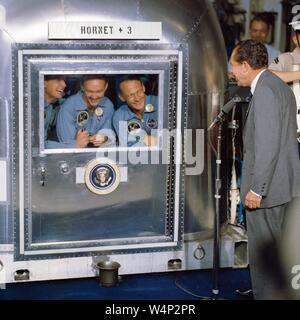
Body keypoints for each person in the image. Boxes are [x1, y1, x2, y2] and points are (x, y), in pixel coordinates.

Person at [230, 39, 300, 300]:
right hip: (284, 186)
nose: (232, 72)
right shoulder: (278, 86)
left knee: (264, 255)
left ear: (246, 66)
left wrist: (257, 190)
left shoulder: (266, 91)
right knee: (282, 256)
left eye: (234, 66)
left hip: (269, 192)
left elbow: (268, 145)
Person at [56, 75, 115, 148]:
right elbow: (66, 144)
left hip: (100, 155)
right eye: (89, 91)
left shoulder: (108, 105)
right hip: (75, 156)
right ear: (82, 87)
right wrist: (86, 141)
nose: (94, 96)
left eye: (99, 91)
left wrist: (105, 138)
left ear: (106, 87)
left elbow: (109, 134)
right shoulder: (68, 107)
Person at [113, 75, 158, 147]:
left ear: (143, 88)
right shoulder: (120, 116)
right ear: (121, 97)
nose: (137, 99)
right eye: (130, 95)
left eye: (138, 92)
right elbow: (127, 146)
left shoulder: (159, 103)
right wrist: (145, 139)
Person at [44, 75, 67, 148]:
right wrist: (75, 145)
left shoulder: (49, 106)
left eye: (63, 80)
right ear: (44, 82)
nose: (64, 84)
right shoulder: (33, 108)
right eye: (58, 79)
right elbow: (36, 145)